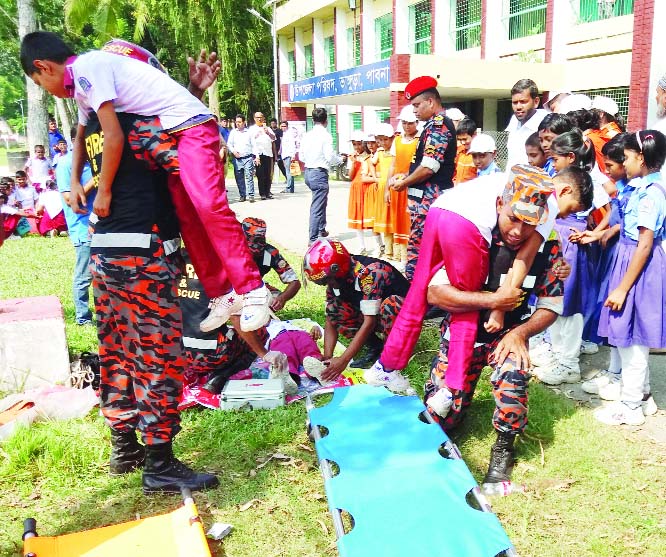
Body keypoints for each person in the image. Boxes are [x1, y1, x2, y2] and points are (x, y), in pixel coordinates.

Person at [20, 31, 272, 335]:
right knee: (190, 218)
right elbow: (81, 135)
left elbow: (114, 135)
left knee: (208, 205)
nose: (44, 90)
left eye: (38, 82)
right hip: (173, 139)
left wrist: (103, 190)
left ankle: (252, 288)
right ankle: (222, 293)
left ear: (44, 67)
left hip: (191, 129)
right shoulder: (83, 89)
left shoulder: (90, 68)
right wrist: (74, 180)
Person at [365, 165, 591, 406]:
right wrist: (498, 307)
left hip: (439, 208)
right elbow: (524, 257)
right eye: (571, 210)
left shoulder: (519, 178)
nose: (563, 217)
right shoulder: (546, 201)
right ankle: (451, 389)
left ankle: (386, 366)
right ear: (565, 190)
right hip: (465, 225)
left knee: (417, 291)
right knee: (468, 305)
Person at [84, 109, 218, 493]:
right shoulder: (138, 124)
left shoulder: (97, 126)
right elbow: (188, 163)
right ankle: (159, 461)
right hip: (141, 256)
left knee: (117, 350)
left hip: (105, 253)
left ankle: (124, 446)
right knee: (157, 355)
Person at [424, 194, 568, 486]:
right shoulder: (472, 234)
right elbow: (434, 293)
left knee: (514, 373)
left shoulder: (548, 248)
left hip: (506, 336)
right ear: (500, 204)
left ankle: (504, 447)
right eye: (513, 219)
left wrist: (520, 333)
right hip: (462, 339)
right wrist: (492, 299)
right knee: (442, 418)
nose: (517, 231)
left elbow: (551, 305)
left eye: (529, 224)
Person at [595, 130, 666, 426]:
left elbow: (645, 243)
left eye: (626, 157)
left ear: (641, 157)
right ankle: (644, 395)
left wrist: (623, 288)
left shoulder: (650, 194)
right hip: (630, 260)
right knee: (630, 333)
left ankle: (631, 406)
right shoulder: (639, 187)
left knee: (633, 339)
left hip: (639, 265)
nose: (623, 163)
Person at [303, 238, 410, 379]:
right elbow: (331, 318)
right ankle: (376, 346)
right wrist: (327, 358)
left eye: (327, 280)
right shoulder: (338, 278)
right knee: (336, 309)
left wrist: (343, 360)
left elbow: (369, 322)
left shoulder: (370, 274)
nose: (327, 285)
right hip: (375, 312)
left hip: (402, 315)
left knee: (392, 304)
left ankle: (392, 355)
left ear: (337, 269)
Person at [389, 76, 456, 280]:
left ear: (431, 102)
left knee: (423, 250)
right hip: (424, 200)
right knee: (420, 248)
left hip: (430, 200)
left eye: (417, 105)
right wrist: (406, 175)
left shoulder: (438, 125)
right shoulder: (431, 126)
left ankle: (417, 294)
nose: (415, 110)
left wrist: (404, 182)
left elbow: (429, 167)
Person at [56, 127, 96, 325]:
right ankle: (83, 318)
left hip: (103, 226)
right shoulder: (65, 164)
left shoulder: (98, 161)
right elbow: (69, 198)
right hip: (82, 227)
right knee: (84, 276)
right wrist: (96, 180)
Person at [300, 107, 342, 244]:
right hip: (319, 172)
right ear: (326, 121)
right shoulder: (326, 136)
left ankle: (321, 230)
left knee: (321, 203)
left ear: (313, 120)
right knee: (317, 206)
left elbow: (301, 156)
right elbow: (330, 157)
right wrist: (341, 160)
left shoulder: (307, 135)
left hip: (308, 171)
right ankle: (313, 238)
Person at [241, 217, 301, 311]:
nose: (256, 245)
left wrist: (282, 299)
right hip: (231, 289)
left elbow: (295, 282)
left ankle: (262, 317)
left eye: (260, 240)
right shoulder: (233, 249)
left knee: (273, 298)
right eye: (252, 240)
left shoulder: (268, 254)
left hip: (255, 287)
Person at [387, 104, 419, 270]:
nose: (407, 126)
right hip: (396, 185)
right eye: (405, 123)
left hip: (411, 183)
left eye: (410, 123)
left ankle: (410, 257)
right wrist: (387, 188)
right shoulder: (397, 140)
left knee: (410, 221)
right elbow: (392, 165)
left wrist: (406, 176)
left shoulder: (420, 140)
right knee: (398, 219)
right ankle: (400, 256)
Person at [505, 79, 548, 170]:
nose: (518, 107)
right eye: (515, 103)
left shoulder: (546, 124)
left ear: (536, 102)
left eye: (523, 102)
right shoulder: (514, 121)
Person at [373, 123, 397, 259]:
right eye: (380, 140)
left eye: (385, 139)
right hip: (382, 187)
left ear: (392, 138)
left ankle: (397, 250)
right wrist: (375, 177)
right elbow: (371, 163)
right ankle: (388, 250)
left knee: (394, 218)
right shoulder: (380, 152)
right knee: (385, 219)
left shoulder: (396, 150)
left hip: (394, 186)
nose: (382, 143)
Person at [347, 131, 372, 250]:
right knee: (357, 216)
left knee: (370, 216)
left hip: (368, 188)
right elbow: (350, 176)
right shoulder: (352, 157)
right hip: (356, 188)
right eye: (354, 145)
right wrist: (353, 162)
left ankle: (380, 244)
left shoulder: (371, 156)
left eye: (359, 144)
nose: (357, 147)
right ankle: (362, 246)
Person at [228, 114, 256, 202]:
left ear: (244, 122)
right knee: (239, 177)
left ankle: (251, 195)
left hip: (248, 157)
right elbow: (229, 144)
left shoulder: (249, 133)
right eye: (236, 122)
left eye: (240, 122)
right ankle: (242, 195)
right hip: (237, 158)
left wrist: (256, 156)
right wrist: (233, 151)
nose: (238, 124)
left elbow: (254, 145)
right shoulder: (233, 132)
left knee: (249, 176)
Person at [250, 112, 276, 200]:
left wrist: (267, 132)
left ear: (263, 118)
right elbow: (250, 142)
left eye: (261, 117)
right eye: (257, 117)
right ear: (254, 118)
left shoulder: (268, 128)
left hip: (267, 153)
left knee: (268, 174)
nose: (259, 119)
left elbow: (274, 138)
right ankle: (262, 193)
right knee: (260, 175)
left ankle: (268, 192)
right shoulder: (252, 129)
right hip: (258, 155)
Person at [453, 117, 477, 184]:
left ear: (474, 134)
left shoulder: (480, 154)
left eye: (465, 139)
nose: (462, 142)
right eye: (460, 140)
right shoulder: (459, 151)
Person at [279, 120, 297, 193]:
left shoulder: (289, 134)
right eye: (282, 126)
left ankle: (289, 188)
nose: (283, 127)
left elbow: (292, 145)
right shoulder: (284, 134)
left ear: (287, 126)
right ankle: (290, 188)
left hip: (288, 155)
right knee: (289, 172)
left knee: (288, 172)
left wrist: (293, 155)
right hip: (285, 155)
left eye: (284, 126)